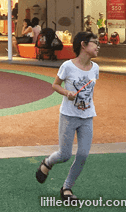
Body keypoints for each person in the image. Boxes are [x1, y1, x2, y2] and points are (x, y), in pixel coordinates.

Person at [35, 32, 100, 202]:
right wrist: (66, 92)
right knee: (64, 155)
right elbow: (55, 85)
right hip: (68, 116)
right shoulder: (67, 66)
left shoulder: (95, 68)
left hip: (87, 116)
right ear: (83, 45)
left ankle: (67, 188)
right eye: (95, 43)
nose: (98, 46)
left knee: (83, 155)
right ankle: (48, 163)